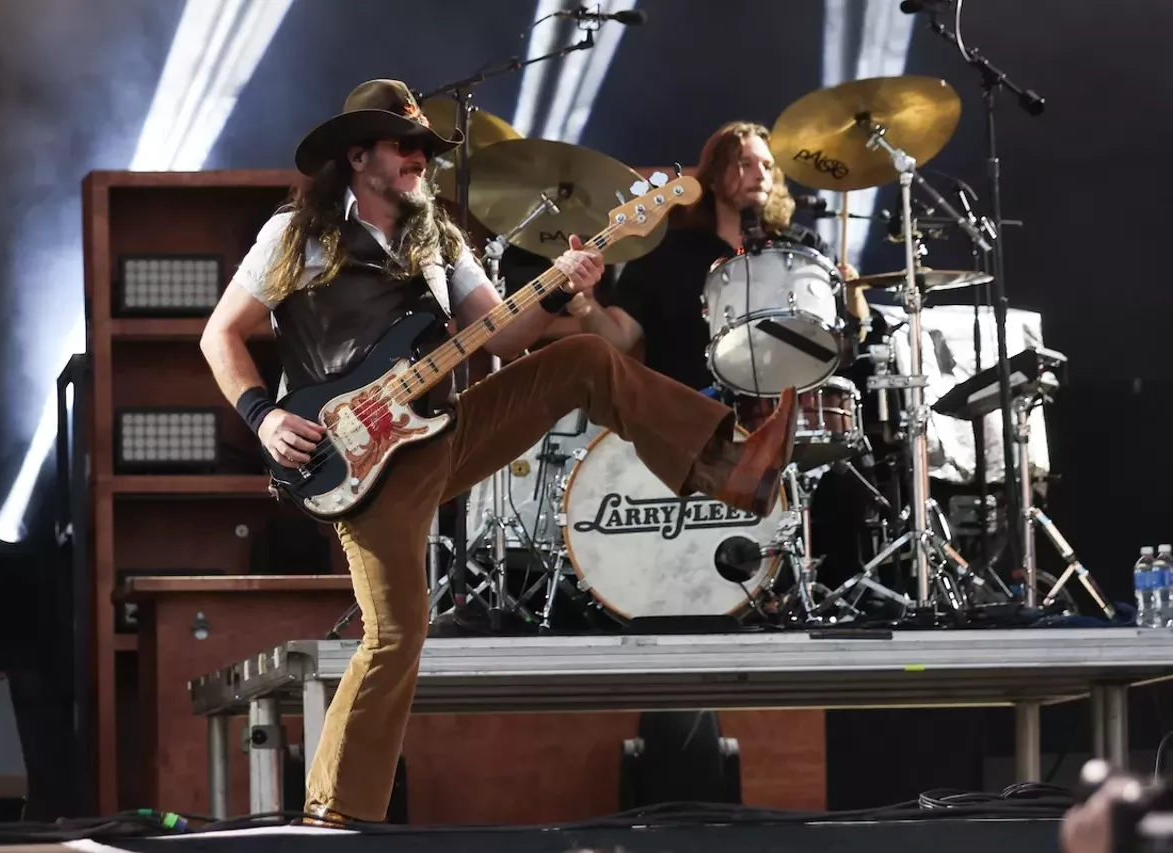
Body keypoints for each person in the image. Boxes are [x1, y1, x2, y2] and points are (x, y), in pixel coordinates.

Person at [199, 80, 801, 825]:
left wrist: (559, 292)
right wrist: (262, 417)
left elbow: (503, 337)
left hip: (442, 431)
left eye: (425, 145)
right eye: (404, 145)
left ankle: (730, 466)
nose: (421, 157)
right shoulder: (296, 235)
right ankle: (335, 818)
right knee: (395, 636)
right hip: (350, 462)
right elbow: (219, 334)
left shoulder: (438, 240)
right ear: (358, 156)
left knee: (583, 357)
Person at [560, 119, 869, 389]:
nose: (759, 174)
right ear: (714, 177)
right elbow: (618, 338)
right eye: (744, 164)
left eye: (766, 166)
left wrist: (854, 291)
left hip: (786, 413)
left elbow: (850, 338)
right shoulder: (667, 252)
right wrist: (584, 306)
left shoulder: (804, 246)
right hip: (685, 416)